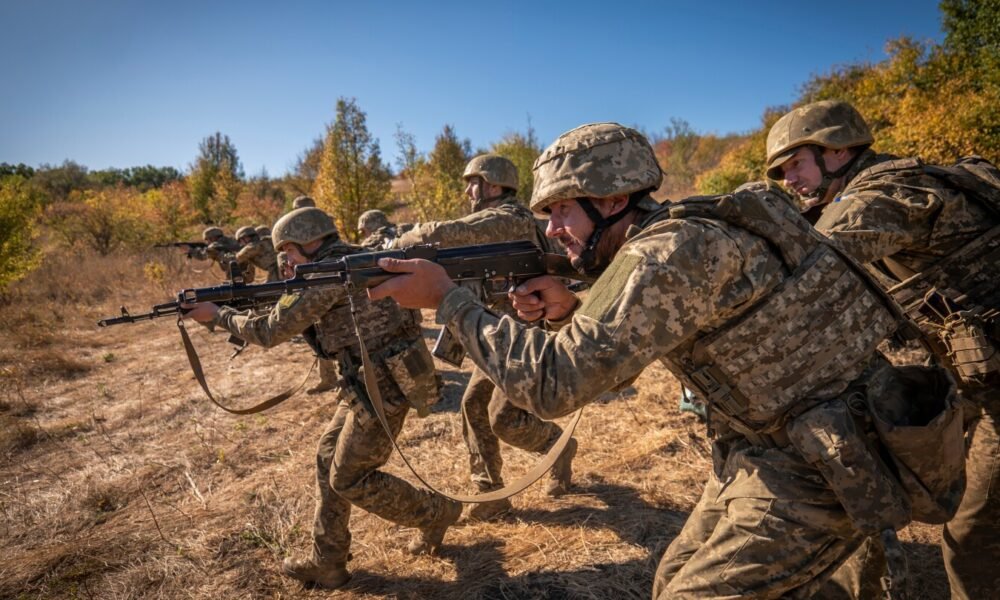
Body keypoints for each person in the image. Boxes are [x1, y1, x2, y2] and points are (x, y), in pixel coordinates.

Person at [368, 122, 937, 598]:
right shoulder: (673, 237)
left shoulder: (666, 253)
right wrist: (570, 310)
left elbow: (555, 386)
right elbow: (624, 356)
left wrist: (448, 301)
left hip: (819, 459)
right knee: (670, 580)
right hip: (769, 446)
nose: (552, 230)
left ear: (613, 201)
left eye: (562, 210)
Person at [766, 99, 1000, 600]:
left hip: (991, 390)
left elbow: (806, 271)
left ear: (838, 150)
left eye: (796, 164)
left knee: (973, 537)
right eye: (782, 172)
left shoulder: (885, 196)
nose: (789, 180)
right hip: (968, 378)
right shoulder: (882, 187)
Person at [182, 207, 461, 590]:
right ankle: (328, 560)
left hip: (382, 387)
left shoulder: (328, 275)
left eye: (287, 251)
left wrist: (218, 315)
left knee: (350, 478)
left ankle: (436, 512)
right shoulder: (349, 260)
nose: (285, 260)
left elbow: (269, 331)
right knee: (328, 456)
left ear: (306, 242)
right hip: (367, 381)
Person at [392, 153, 577, 521]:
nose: (467, 191)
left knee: (503, 417)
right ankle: (490, 494)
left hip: (527, 335)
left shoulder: (509, 219)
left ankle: (559, 447)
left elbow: (441, 235)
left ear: (492, 186)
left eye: (472, 183)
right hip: (500, 334)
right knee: (474, 405)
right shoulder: (494, 224)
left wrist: (394, 247)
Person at [187, 226, 252, 281]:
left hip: (236, 273)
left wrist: (190, 250)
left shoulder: (215, 245)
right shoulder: (232, 240)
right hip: (248, 272)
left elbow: (202, 256)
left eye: (207, 239)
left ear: (212, 238)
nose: (207, 242)